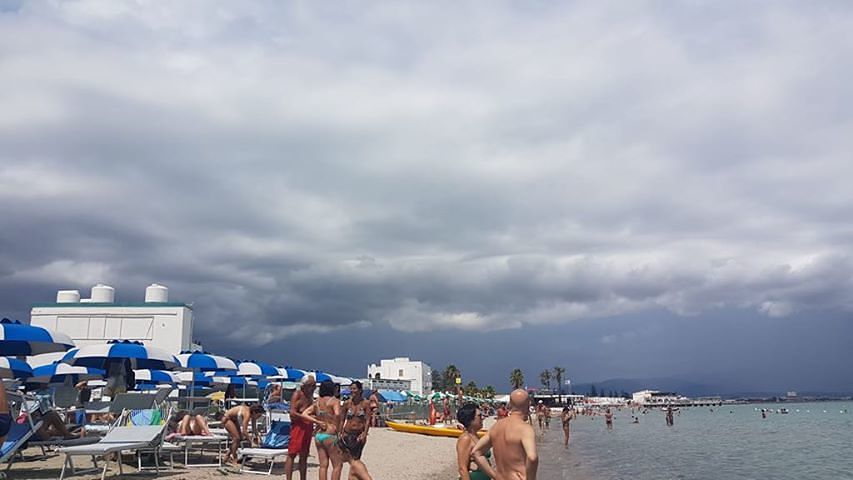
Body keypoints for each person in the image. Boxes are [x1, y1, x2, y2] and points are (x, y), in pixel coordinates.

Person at [473, 389, 538, 480]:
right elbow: (532, 458)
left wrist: (494, 475)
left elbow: (476, 452)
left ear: (510, 405)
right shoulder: (525, 428)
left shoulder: (496, 427)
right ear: (528, 405)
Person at [302, 380, 343, 480]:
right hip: (330, 434)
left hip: (319, 435)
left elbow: (304, 414)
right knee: (337, 465)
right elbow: (337, 414)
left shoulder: (317, 402)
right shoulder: (334, 401)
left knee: (323, 466)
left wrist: (318, 422)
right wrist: (337, 428)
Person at [338, 380, 373, 480]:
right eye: (351, 388)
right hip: (347, 433)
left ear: (360, 390)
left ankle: (354, 477)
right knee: (348, 458)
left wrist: (365, 433)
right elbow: (342, 419)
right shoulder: (347, 403)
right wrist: (340, 432)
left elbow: (367, 420)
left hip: (359, 434)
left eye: (354, 388)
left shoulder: (366, 403)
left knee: (356, 459)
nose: (352, 391)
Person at [285, 375, 317, 480]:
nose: (314, 388)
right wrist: (303, 416)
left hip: (307, 427)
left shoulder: (310, 397)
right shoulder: (297, 395)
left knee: (304, 455)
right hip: (298, 427)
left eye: (314, 385)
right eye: (312, 385)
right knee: (292, 454)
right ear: (305, 386)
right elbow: (292, 413)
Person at [456, 403, 497, 480]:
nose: (482, 418)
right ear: (470, 419)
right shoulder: (465, 438)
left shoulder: (476, 436)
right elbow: (462, 468)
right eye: (479, 416)